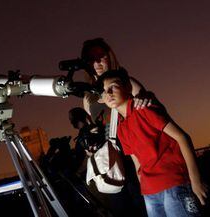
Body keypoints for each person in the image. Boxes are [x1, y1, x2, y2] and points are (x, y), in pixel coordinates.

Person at [97, 69, 208, 217]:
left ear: (127, 88)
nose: (108, 93)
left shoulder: (144, 109)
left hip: (173, 184)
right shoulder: (120, 128)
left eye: (113, 86)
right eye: (104, 91)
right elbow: (137, 162)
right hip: (150, 193)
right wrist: (144, 189)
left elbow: (182, 137)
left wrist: (196, 181)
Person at [79, 38, 149, 217]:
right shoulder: (88, 96)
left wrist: (144, 99)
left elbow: (149, 105)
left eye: (100, 56)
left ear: (109, 57)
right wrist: (90, 146)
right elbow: (93, 127)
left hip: (133, 155)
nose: (96, 62)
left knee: (144, 206)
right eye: (90, 58)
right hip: (110, 161)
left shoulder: (127, 83)